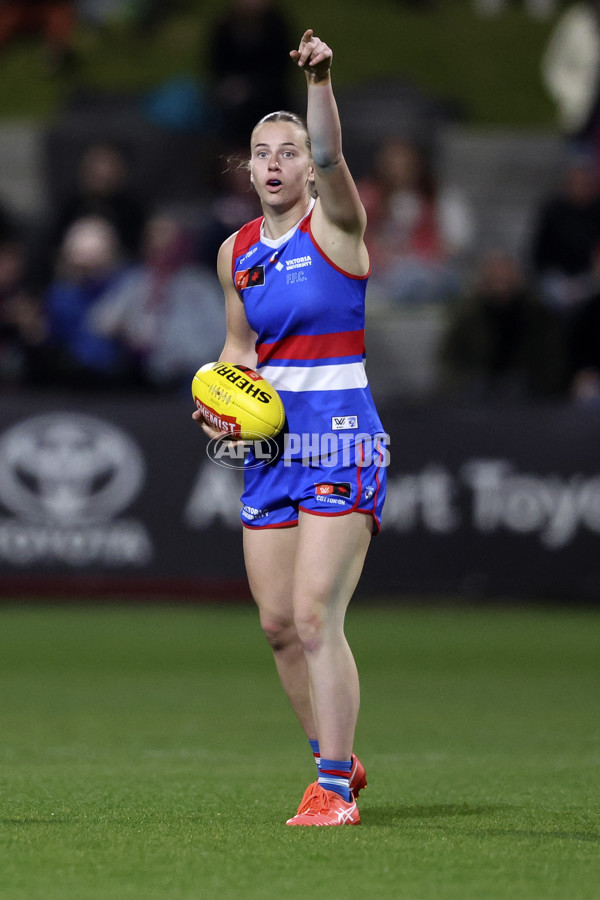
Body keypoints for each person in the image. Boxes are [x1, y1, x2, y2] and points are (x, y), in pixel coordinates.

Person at [193, 29, 387, 826]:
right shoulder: (236, 252)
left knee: (315, 615)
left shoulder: (336, 229)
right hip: (271, 449)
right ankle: (335, 756)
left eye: (289, 151)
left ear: (310, 168)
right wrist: (217, 409)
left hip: (340, 437)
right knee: (277, 626)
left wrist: (322, 81)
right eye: (260, 151)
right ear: (250, 167)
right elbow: (239, 353)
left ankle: (334, 790)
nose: (272, 162)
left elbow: (341, 160)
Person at [89, 213, 225, 393]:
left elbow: (222, 335)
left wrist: (183, 356)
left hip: (188, 371)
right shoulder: (136, 280)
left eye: (167, 244)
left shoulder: (201, 286)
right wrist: (126, 332)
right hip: (138, 369)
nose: (160, 250)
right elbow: (100, 322)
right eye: (154, 242)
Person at [357, 136, 474, 307]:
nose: (398, 171)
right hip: (378, 273)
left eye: (404, 164)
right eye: (392, 164)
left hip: (423, 269)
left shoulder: (435, 199)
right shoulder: (365, 198)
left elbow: (453, 241)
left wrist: (429, 257)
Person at [439, 249, 566, 402]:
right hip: (478, 396)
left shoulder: (537, 315)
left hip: (528, 398)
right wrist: (466, 383)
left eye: (507, 281)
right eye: (494, 280)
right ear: (484, 282)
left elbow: (552, 360)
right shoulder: (468, 315)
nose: (501, 288)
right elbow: (449, 360)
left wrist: (539, 385)